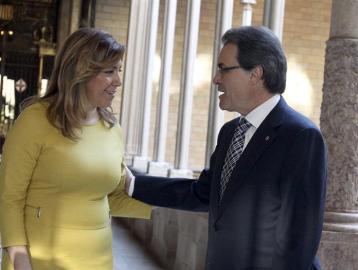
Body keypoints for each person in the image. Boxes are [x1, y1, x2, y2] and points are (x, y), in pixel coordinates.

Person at [126, 26, 327, 270]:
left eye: (223, 68)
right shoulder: (230, 132)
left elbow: (298, 242)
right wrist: (130, 183)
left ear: (255, 74)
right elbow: (202, 193)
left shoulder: (301, 137)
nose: (215, 79)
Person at [0, 27, 151, 270]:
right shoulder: (35, 121)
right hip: (38, 259)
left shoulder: (112, 129)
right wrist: (19, 258)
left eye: (119, 71)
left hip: (96, 259)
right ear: (81, 71)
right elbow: (9, 197)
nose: (118, 81)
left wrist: (180, 198)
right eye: (109, 71)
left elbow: (112, 196)